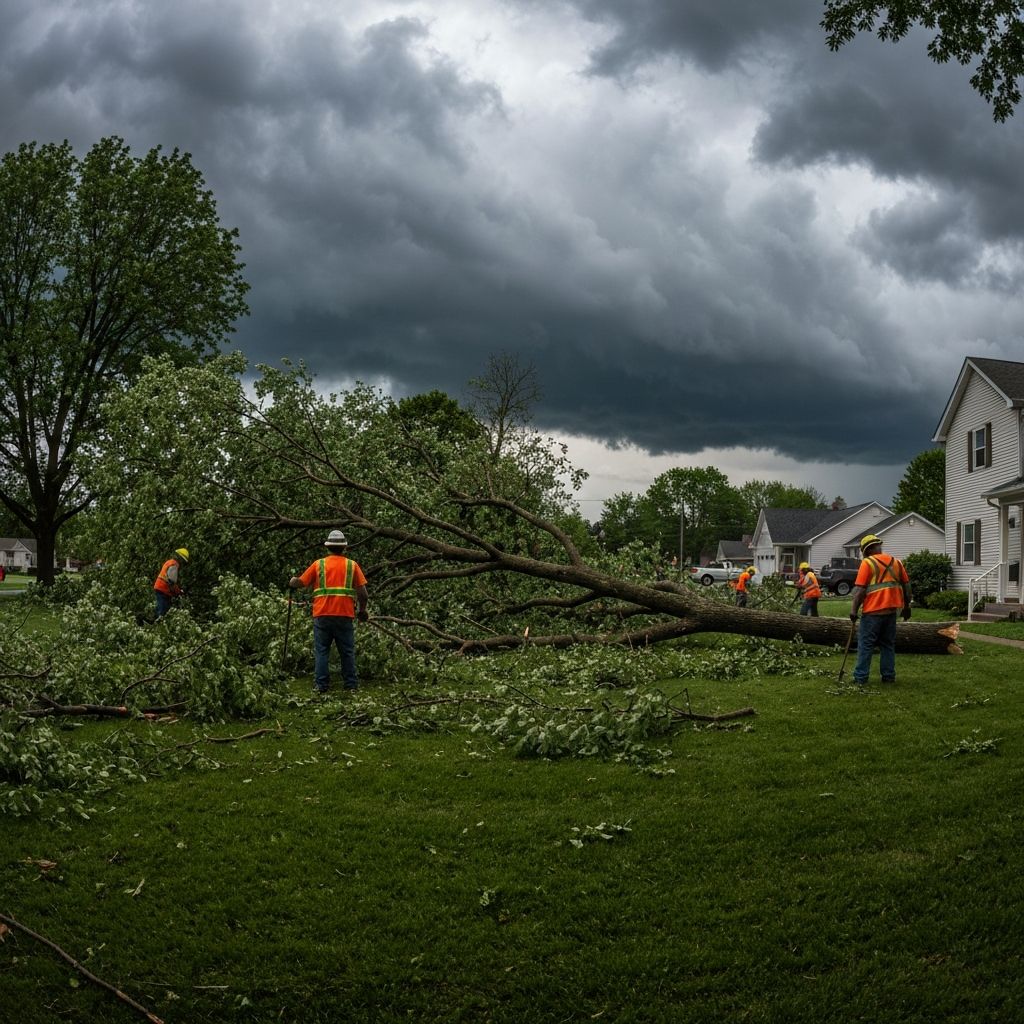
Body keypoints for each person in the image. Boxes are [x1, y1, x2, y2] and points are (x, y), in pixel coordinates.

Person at [290, 529, 369, 694]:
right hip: (344, 614)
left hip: (322, 615)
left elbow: (301, 582)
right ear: (344, 548)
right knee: (347, 651)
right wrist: (362, 611)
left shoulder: (319, 564)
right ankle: (351, 685)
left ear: (327, 547)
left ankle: (321, 685)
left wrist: (293, 581)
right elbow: (363, 593)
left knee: (322, 651)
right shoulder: (352, 565)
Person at [849, 534, 912, 686]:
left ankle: (860, 678)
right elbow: (907, 586)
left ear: (867, 550)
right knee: (887, 645)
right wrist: (907, 606)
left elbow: (860, 590)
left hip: (873, 612)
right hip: (891, 612)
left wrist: (853, 610)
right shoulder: (896, 562)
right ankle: (888, 677)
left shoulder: (867, 563)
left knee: (866, 645)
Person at [153, 547, 189, 618]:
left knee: (161, 608)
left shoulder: (169, 562)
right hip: (163, 589)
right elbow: (171, 581)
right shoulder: (174, 565)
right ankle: (159, 622)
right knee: (162, 611)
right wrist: (179, 592)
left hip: (160, 587)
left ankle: (155, 619)